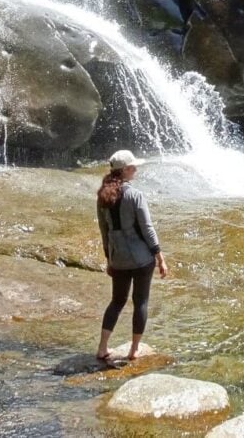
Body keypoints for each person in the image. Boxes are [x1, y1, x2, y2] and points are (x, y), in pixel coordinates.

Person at [95, 149, 167, 362]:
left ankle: (102, 348)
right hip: (141, 258)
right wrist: (160, 256)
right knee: (141, 302)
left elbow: (103, 231)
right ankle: (134, 350)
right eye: (133, 167)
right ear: (125, 170)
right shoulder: (135, 195)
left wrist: (109, 259)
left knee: (116, 302)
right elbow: (147, 228)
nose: (136, 169)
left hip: (118, 259)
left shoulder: (102, 197)